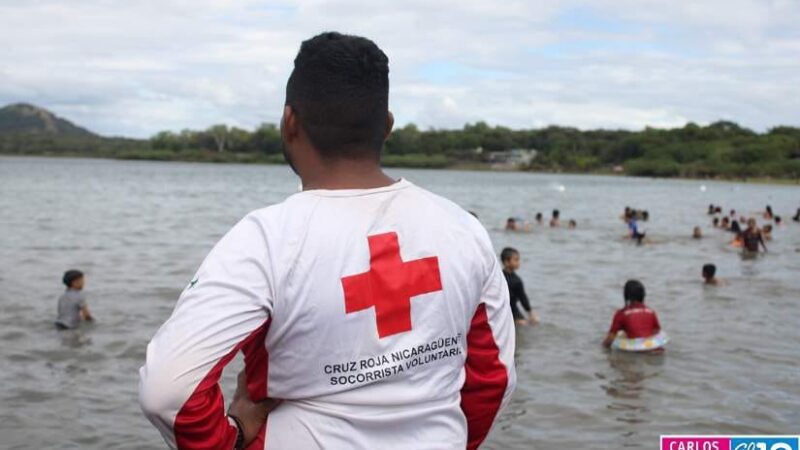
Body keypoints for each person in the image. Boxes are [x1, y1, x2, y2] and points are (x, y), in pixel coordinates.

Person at [139, 32, 516, 450]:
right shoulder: (463, 228)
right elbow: (493, 377)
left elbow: (169, 393)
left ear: (289, 122)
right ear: (387, 126)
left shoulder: (267, 239)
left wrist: (233, 437)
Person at [602, 280, 661, 348]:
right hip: (653, 349)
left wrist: (602, 347)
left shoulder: (621, 314)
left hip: (634, 352)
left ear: (626, 296)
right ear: (643, 295)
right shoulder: (651, 312)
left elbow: (610, 339)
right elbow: (656, 332)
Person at [500, 247, 539, 326]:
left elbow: (522, 298)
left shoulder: (498, 276)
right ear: (506, 262)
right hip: (511, 311)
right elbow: (523, 298)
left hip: (504, 310)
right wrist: (530, 312)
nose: (519, 262)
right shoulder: (516, 281)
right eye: (516, 260)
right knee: (526, 325)